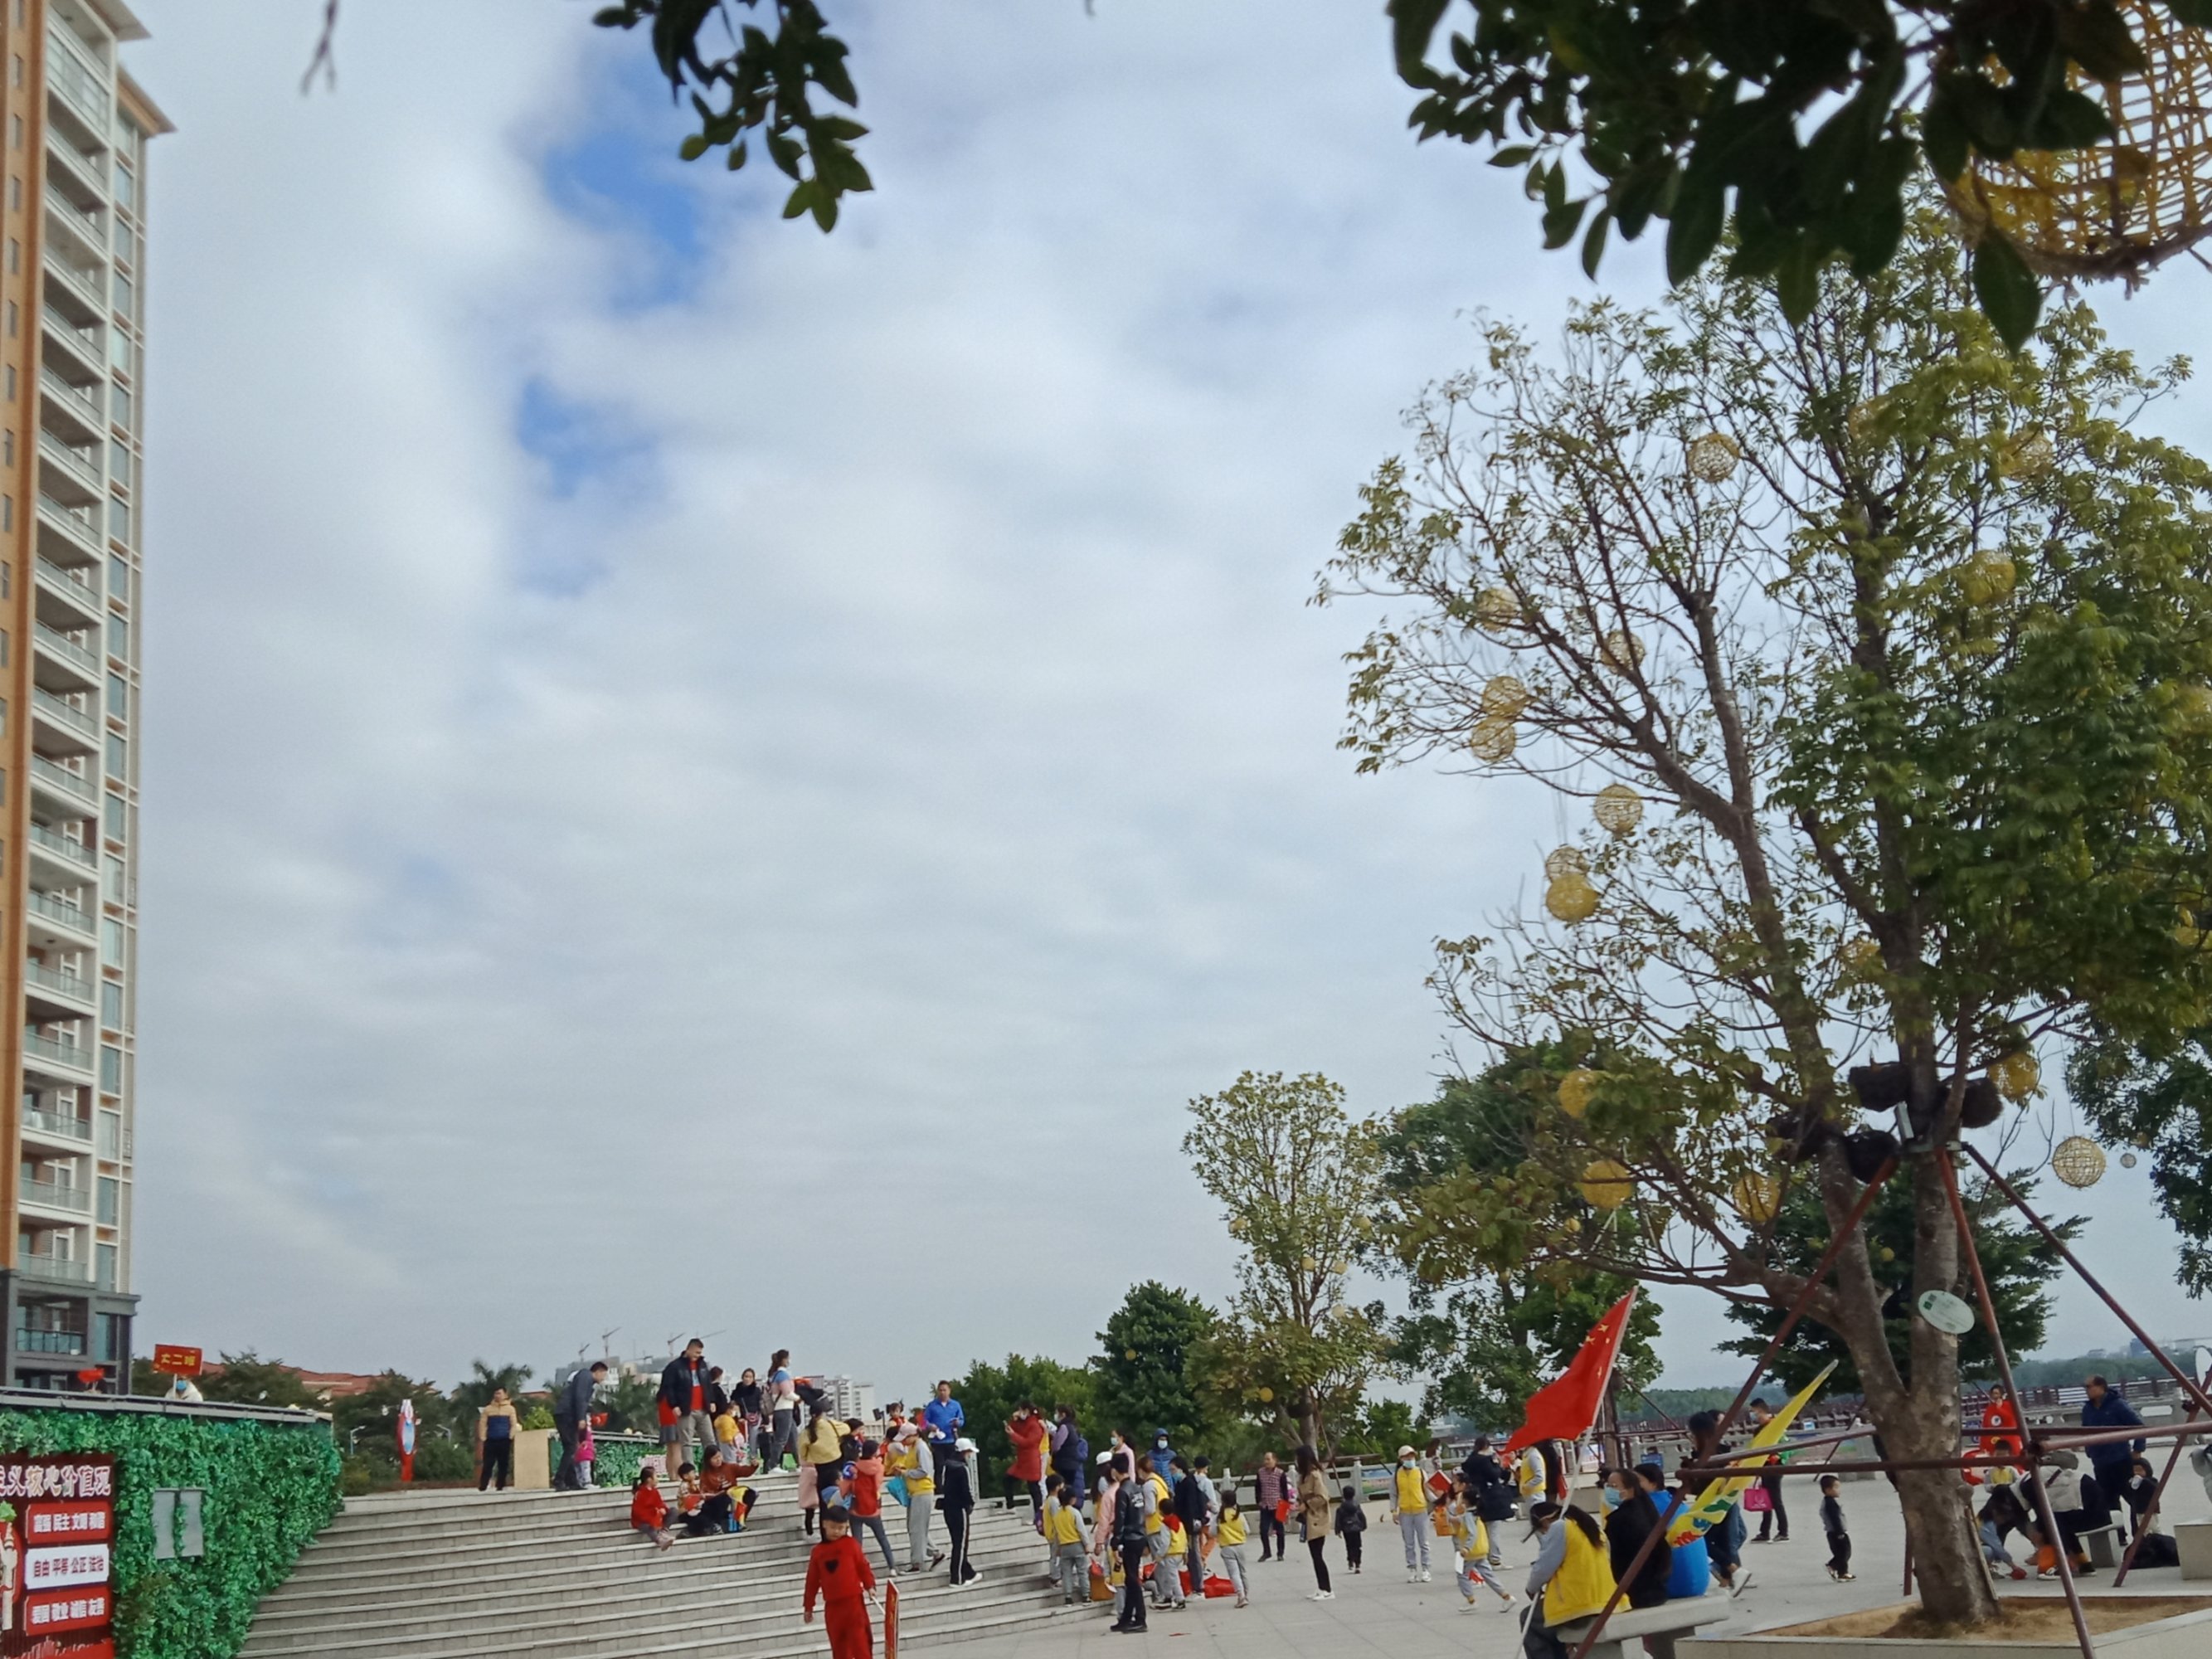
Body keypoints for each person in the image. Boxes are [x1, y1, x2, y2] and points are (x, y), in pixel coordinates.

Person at [1522, 1501, 1615, 1659]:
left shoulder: (1559, 1527)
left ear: (1545, 1521)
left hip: (1579, 1603)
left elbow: (1543, 1567)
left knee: (1529, 1618)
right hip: (1605, 1597)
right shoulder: (1592, 1527)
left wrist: (1531, 1588)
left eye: (1542, 1531)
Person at [804, 1504, 880, 1659]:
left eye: (841, 1528)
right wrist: (808, 1606)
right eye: (833, 1527)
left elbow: (863, 1566)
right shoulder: (818, 1552)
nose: (837, 1531)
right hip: (833, 1607)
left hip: (854, 1604)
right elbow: (812, 1580)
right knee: (838, 1647)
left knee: (860, 1644)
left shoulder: (851, 1545)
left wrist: (870, 1586)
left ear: (847, 1527)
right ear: (824, 1524)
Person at [1600, 1465, 1669, 1609]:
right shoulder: (1647, 1509)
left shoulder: (1620, 1519)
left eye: (1614, 1486)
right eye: (1608, 1486)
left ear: (1630, 1489)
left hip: (1635, 1592)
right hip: (1657, 1589)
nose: (1609, 1490)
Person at [2081, 1376, 2146, 1510]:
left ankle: (2142, 1523)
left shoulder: (2117, 1405)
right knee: (2107, 1501)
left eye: (2089, 1387)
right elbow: (2085, 1431)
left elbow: (2139, 1426)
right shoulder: (2087, 1409)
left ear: (2101, 1387)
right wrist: (2089, 1450)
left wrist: (2138, 1449)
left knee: (2133, 1497)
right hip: (2100, 1462)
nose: (2086, 1390)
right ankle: (2117, 1524)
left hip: (2121, 1459)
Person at [1646, 1467, 1710, 1601]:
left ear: (1652, 1484)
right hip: (1700, 1582)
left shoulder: (1649, 1505)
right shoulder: (1673, 1500)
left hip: (1675, 1584)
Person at [1441, 1489, 1512, 1609]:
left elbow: (1472, 1532)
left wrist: (1466, 1548)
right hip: (1481, 1549)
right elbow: (1458, 1520)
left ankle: (1471, 1601)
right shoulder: (1475, 1514)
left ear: (1466, 1501)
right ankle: (1506, 1596)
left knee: (1461, 1573)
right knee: (1488, 1575)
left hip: (1471, 1551)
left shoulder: (1468, 1516)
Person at [659, 1340, 717, 1477]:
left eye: (700, 1353)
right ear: (689, 1349)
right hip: (686, 1410)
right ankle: (690, 1471)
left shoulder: (702, 1365)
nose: (698, 1355)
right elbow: (668, 1388)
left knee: (710, 1441)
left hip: (703, 1409)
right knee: (686, 1443)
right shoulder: (675, 1367)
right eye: (696, 1352)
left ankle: (712, 1469)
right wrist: (674, 1405)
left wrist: (711, 1401)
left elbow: (708, 1385)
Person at [888, 1423, 941, 1572]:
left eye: (905, 1438)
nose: (904, 1441)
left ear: (914, 1435)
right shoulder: (913, 1447)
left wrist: (906, 1473)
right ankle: (935, 1553)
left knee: (916, 1528)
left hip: (922, 1491)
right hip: (914, 1492)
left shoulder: (921, 1447)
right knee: (916, 1527)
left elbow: (924, 1471)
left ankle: (917, 1563)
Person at [1109, 1458, 1150, 1632]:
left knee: (1133, 1580)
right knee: (1130, 1578)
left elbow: (1120, 1518)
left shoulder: (1122, 1491)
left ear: (1114, 1471)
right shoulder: (1137, 1488)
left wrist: (1115, 1541)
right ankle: (1126, 1618)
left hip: (1129, 1538)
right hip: (1140, 1535)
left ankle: (1140, 1618)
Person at [554, 1360, 607, 1491]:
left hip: (566, 1414)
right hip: (566, 1414)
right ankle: (559, 1479)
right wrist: (581, 1418)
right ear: (598, 1371)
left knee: (571, 1448)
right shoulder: (585, 1376)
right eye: (604, 1375)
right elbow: (580, 1398)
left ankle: (572, 1482)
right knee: (571, 1447)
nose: (603, 1378)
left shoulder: (587, 1380)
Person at [846, 1439, 897, 1574]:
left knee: (857, 1541)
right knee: (882, 1538)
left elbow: (849, 1485)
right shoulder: (878, 1467)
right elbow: (877, 1484)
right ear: (874, 1452)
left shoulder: (855, 1466)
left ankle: (855, 1569)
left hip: (856, 1507)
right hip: (873, 1507)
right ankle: (892, 1567)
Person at [1463, 1436, 1513, 1568]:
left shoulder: (1470, 1460)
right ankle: (1495, 1558)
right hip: (1490, 1497)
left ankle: (1482, 1557)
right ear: (1486, 1446)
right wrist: (1496, 1463)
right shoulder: (1485, 1460)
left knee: (1481, 1529)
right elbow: (1494, 1475)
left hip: (1476, 1496)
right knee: (1493, 1529)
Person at [939, 1436, 981, 1586]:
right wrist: (970, 1504)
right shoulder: (962, 1468)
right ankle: (956, 1579)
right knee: (961, 1544)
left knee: (957, 1542)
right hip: (960, 1508)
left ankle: (969, 1572)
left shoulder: (947, 1465)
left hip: (948, 1507)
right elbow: (968, 1490)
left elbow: (942, 1484)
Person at [800, 1404, 846, 1536]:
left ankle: (825, 1535)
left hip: (821, 1469)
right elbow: (846, 1428)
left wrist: (812, 1455)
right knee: (839, 1501)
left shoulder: (807, 1432)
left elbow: (802, 1452)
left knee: (824, 1505)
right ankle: (842, 1532)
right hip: (836, 1466)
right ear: (823, 1413)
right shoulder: (831, 1425)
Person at [1296, 1443, 1334, 1601]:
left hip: (1318, 1518)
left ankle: (1328, 1589)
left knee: (1318, 1555)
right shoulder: (1303, 1476)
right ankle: (1321, 1587)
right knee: (1314, 1555)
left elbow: (1323, 1496)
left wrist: (1307, 1504)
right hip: (1309, 1518)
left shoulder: (1314, 1475)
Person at [1748, 1399, 1788, 1543]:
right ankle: (1764, 1532)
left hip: (1775, 1466)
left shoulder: (1776, 1426)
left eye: (1754, 1411)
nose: (1753, 1414)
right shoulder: (1758, 1430)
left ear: (1761, 1410)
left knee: (1776, 1499)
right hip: (1764, 1466)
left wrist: (1778, 1457)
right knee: (1766, 1500)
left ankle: (1783, 1531)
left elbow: (1785, 1446)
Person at [1046, 1478, 1091, 1603]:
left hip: (1064, 1547)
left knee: (1066, 1573)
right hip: (1077, 1545)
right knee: (1082, 1571)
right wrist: (1087, 1544)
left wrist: (1058, 1549)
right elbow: (1081, 1530)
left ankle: (1068, 1597)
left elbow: (1057, 1534)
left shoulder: (1057, 1516)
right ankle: (1086, 1595)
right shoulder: (1074, 1513)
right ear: (1073, 1499)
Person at [1393, 1445, 1432, 1582]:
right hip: (1405, 1512)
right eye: (1407, 1457)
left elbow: (1428, 1491)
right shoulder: (1397, 1475)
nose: (1410, 1459)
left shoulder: (1420, 1472)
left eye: (1412, 1456)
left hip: (1420, 1510)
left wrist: (1439, 1501)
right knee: (1409, 1544)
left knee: (1424, 1542)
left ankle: (1426, 1569)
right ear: (1401, 1458)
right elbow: (1393, 1494)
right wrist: (1394, 1510)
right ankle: (1412, 1569)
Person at [1172, 1454, 1210, 1594]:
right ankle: (1195, 1585)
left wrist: (1191, 1525)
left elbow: (1191, 1507)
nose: (1172, 1473)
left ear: (1181, 1469)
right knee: (1190, 1557)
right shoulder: (1180, 1484)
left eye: (1173, 1470)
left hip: (1191, 1525)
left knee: (1194, 1556)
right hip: (1184, 1525)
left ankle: (1199, 1588)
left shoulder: (1189, 1484)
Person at [1007, 1402, 1049, 1529]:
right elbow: (1016, 1431)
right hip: (1023, 1459)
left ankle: (1039, 1516)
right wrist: (1013, 1421)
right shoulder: (1026, 1423)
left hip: (1031, 1459)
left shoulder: (1035, 1424)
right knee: (1008, 1479)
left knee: (1034, 1488)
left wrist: (1013, 1434)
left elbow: (1028, 1442)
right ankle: (1011, 1506)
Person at [475, 1387, 520, 1492]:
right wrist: (483, 1437)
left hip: (504, 1440)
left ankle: (500, 1485)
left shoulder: (510, 1409)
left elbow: (513, 1424)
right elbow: (482, 1424)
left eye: (499, 1393)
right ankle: (483, 1485)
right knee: (488, 1463)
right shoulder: (488, 1409)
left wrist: (510, 1437)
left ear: (505, 1395)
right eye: (495, 1393)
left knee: (503, 1464)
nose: (497, 1396)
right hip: (491, 1440)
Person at [1215, 1493, 1252, 1608]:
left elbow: (1212, 1532)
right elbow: (1247, 1530)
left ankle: (1241, 1596)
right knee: (1243, 1572)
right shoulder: (1239, 1515)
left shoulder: (1220, 1516)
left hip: (1226, 1546)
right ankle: (1246, 1594)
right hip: (1240, 1545)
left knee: (1234, 1574)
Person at [922, 1381, 965, 1476]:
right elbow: (924, 1422)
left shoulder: (955, 1405)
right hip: (937, 1442)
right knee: (938, 1467)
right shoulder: (932, 1405)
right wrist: (930, 1426)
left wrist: (957, 1423)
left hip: (951, 1440)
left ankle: (951, 1484)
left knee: (952, 1467)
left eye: (944, 1390)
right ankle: (939, 1485)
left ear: (949, 1391)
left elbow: (962, 1420)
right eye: (940, 1390)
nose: (942, 1392)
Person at [764, 1350, 800, 1467]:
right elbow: (787, 1393)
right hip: (784, 1409)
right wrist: (798, 1398)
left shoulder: (775, 1375)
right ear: (784, 1360)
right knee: (782, 1439)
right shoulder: (782, 1375)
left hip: (783, 1409)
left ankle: (800, 1463)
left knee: (794, 1438)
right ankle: (773, 1465)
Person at [1254, 1451, 1289, 1563]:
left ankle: (1280, 1553)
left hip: (1278, 1505)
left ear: (1275, 1460)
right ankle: (1267, 1552)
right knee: (1263, 1530)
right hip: (1265, 1505)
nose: (1266, 1462)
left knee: (1280, 1531)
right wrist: (1258, 1501)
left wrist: (1286, 1506)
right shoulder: (1260, 1473)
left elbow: (1285, 1491)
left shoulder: (1280, 1473)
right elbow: (1257, 1488)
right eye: (1265, 1459)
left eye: (1268, 1459)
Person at [1049, 1406, 1089, 1504]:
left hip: (1063, 1464)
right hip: (1071, 1465)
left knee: (1062, 1488)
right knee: (1068, 1487)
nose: (1055, 1415)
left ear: (1063, 1414)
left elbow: (1056, 1446)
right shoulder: (1072, 1428)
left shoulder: (1064, 1427)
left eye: (1057, 1413)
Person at [1817, 1473, 1853, 1581]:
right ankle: (1836, 1569)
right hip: (1836, 1532)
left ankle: (1840, 1571)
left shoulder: (1828, 1501)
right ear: (1828, 1490)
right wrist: (1840, 1532)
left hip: (1833, 1533)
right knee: (1845, 1553)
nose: (1839, 1490)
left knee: (1842, 1553)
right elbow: (1835, 1519)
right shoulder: (1830, 1503)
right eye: (1836, 1488)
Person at [630, 1467, 675, 1550]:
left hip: (656, 1517)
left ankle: (663, 1532)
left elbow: (660, 1503)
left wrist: (663, 1509)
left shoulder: (655, 1491)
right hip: (643, 1521)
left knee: (673, 1511)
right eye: (656, 1476)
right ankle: (660, 1541)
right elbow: (638, 1513)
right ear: (649, 1479)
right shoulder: (640, 1493)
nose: (657, 1479)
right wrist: (653, 1516)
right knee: (649, 1527)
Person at [733, 1366, 766, 1461]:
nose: (748, 1379)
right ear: (742, 1378)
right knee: (741, 1439)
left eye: (750, 1377)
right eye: (746, 1376)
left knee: (753, 1438)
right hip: (742, 1418)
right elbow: (733, 1403)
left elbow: (761, 1404)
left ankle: (753, 1457)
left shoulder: (757, 1390)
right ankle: (741, 1458)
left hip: (756, 1417)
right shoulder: (737, 1391)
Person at [1334, 1482, 1367, 1574]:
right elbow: (1361, 1516)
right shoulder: (1356, 1505)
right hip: (1356, 1528)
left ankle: (1350, 1561)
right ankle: (1358, 1564)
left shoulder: (1341, 1507)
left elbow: (1338, 1519)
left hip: (1346, 1529)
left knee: (1349, 1546)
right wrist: (1363, 1525)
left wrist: (1338, 1530)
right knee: (1357, 1546)